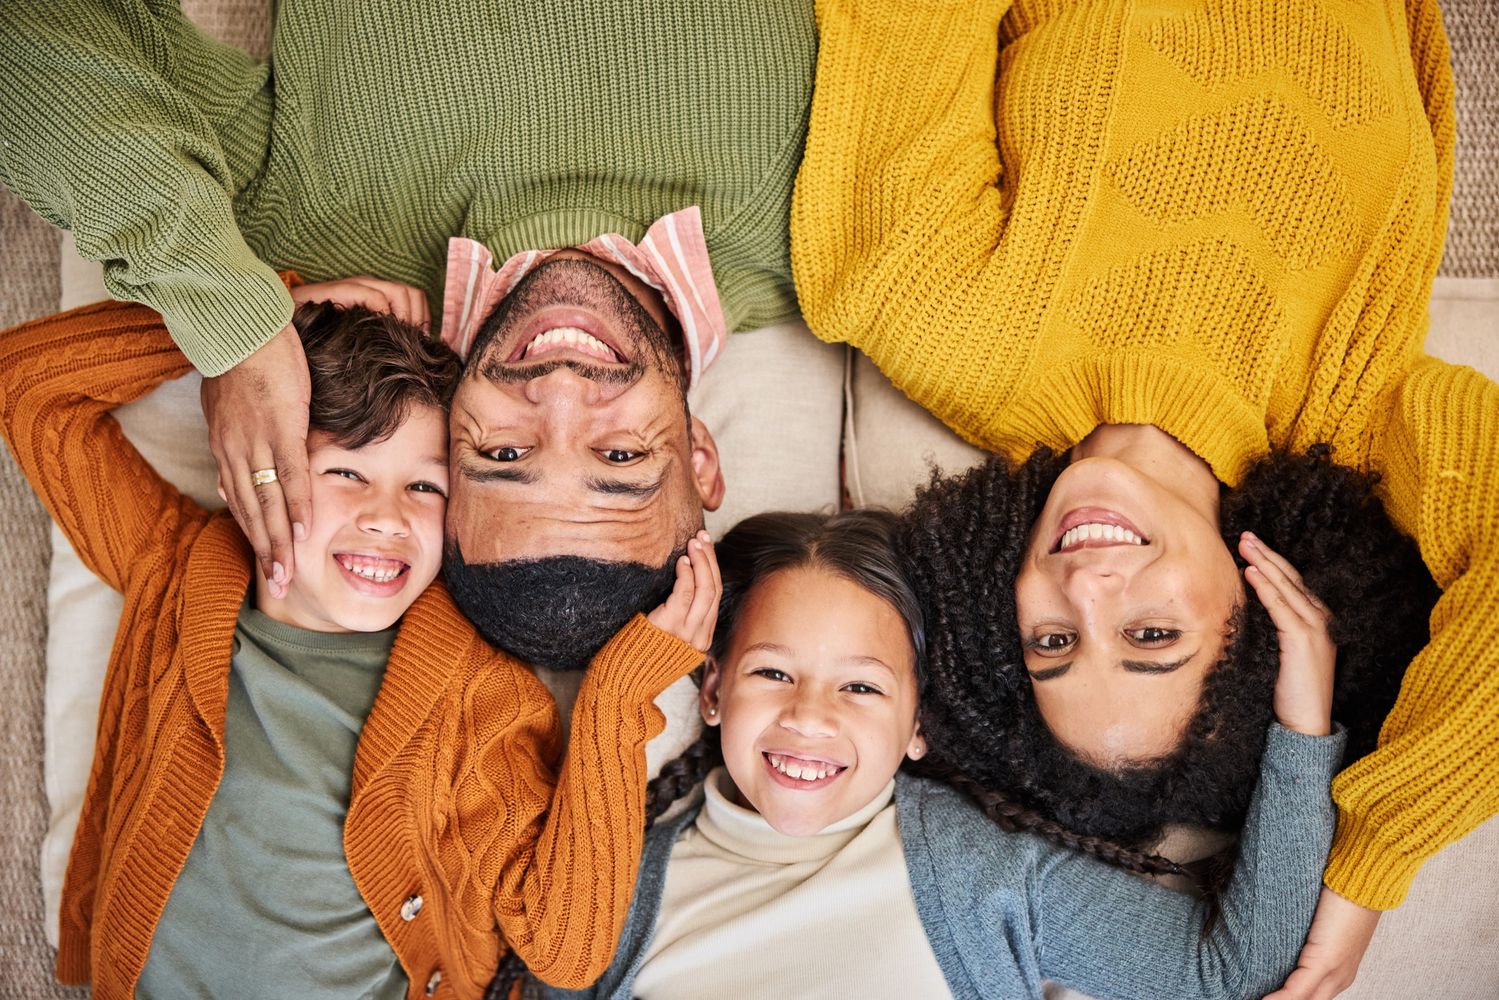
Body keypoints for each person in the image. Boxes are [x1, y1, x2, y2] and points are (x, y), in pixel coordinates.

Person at [790, 0, 1495, 992]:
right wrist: (1372, 851)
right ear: (1257, 617)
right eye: (1150, 637)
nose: (1085, 589)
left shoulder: (930, 312)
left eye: (1050, 644)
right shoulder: (1354, 405)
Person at [0, 0, 814, 659]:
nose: (560, 393)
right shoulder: (826, 229)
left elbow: (30, 45)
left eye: (503, 454)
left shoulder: (300, 237)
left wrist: (236, 326)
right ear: (701, 455)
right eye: (621, 455)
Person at [0, 282, 719, 999]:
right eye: (346, 472)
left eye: (425, 488)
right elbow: (27, 383)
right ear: (261, 469)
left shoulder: (480, 699)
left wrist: (614, 704)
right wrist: (253, 322)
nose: (387, 517)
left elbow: (564, 952)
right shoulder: (177, 571)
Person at [540, 509, 1347, 999]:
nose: (808, 716)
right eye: (772, 671)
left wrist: (1303, 717)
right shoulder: (615, 883)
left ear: (917, 722)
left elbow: (1231, 970)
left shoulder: (981, 878)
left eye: (861, 688)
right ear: (712, 691)